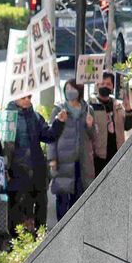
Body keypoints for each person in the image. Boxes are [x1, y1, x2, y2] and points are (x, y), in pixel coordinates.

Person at [4, 94, 56, 234]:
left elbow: (48, 136)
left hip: (38, 171)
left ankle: (41, 240)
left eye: (29, 97)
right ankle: (17, 246)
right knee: (17, 212)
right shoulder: (6, 118)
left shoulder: (35, 116)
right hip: (17, 174)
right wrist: (4, 169)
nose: (27, 100)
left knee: (40, 209)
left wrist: (59, 123)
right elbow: (2, 147)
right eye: (23, 97)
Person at [48, 79, 97, 220]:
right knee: (62, 198)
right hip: (63, 160)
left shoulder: (88, 110)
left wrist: (90, 125)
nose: (70, 91)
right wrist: (52, 159)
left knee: (79, 197)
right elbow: (52, 135)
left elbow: (93, 136)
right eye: (67, 88)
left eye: (73, 88)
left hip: (82, 160)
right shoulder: (59, 110)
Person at [91, 71, 132, 176]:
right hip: (99, 156)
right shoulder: (91, 105)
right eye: (102, 83)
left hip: (116, 153)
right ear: (97, 85)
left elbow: (128, 126)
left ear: (113, 87)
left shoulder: (118, 105)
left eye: (108, 84)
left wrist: (128, 107)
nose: (105, 86)